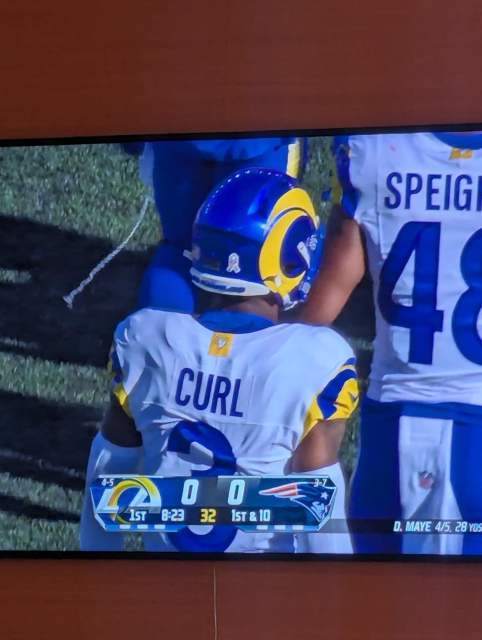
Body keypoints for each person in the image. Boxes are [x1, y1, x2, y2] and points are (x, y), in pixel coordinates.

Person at [80, 167, 358, 553]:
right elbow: (321, 518)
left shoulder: (146, 339)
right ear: (286, 256)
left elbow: (105, 483)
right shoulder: (315, 359)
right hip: (261, 597)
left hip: (165, 593)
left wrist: (93, 586)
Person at [300, 131, 482, 555]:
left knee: (379, 609)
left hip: (398, 428)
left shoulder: (375, 146)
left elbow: (326, 297)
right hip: (457, 428)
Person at [121, 137, 307, 312]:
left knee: (180, 249)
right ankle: (240, 338)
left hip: (181, 130)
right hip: (257, 131)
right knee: (255, 259)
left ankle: (159, 338)